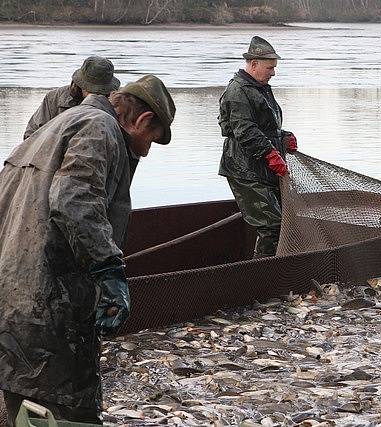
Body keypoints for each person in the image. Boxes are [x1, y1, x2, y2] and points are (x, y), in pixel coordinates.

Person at [0, 74, 175, 426]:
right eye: (150, 140)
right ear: (142, 120)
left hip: (11, 286)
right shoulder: (100, 129)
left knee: (22, 394)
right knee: (67, 404)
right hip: (46, 295)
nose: (146, 150)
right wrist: (108, 270)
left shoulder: (60, 122)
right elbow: (75, 200)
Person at [218, 36, 298, 258]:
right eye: (270, 68)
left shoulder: (260, 87)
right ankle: (261, 275)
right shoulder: (238, 91)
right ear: (253, 64)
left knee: (280, 222)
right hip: (244, 169)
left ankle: (270, 270)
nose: (273, 72)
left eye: (274, 68)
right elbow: (245, 130)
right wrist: (271, 154)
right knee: (272, 225)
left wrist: (284, 137)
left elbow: (266, 126)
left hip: (262, 167)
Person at [23, 55, 120, 140]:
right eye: (92, 90)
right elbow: (30, 136)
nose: (97, 95)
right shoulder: (54, 99)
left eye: (101, 91)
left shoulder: (118, 102)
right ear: (80, 85)